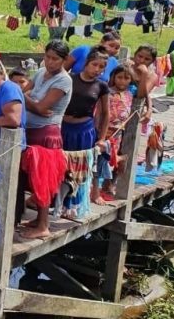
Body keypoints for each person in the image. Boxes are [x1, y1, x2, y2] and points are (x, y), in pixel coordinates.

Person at [21, 40, 73, 239]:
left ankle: (43, 224)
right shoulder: (41, 72)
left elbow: (42, 108)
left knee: (43, 177)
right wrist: (29, 100)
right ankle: (37, 219)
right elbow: (27, 92)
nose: (50, 62)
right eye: (47, 57)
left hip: (47, 132)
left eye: (55, 59)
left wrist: (23, 97)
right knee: (33, 177)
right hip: (31, 129)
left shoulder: (64, 81)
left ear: (64, 60)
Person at [62, 46, 110, 210]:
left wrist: (102, 138)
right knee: (63, 166)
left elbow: (105, 114)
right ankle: (60, 203)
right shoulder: (69, 79)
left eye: (101, 67)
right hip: (64, 129)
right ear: (86, 63)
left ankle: (74, 205)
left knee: (80, 168)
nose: (97, 69)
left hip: (84, 131)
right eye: (94, 65)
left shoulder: (102, 86)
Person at [101, 64, 135, 199]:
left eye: (126, 78)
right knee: (107, 157)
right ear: (113, 78)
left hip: (123, 130)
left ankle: (110, 183)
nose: (122, 81)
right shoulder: (108, 93)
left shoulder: (129, 94)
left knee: (118, 157)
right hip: (108, 131)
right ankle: (105, 182)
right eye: (119, 77)